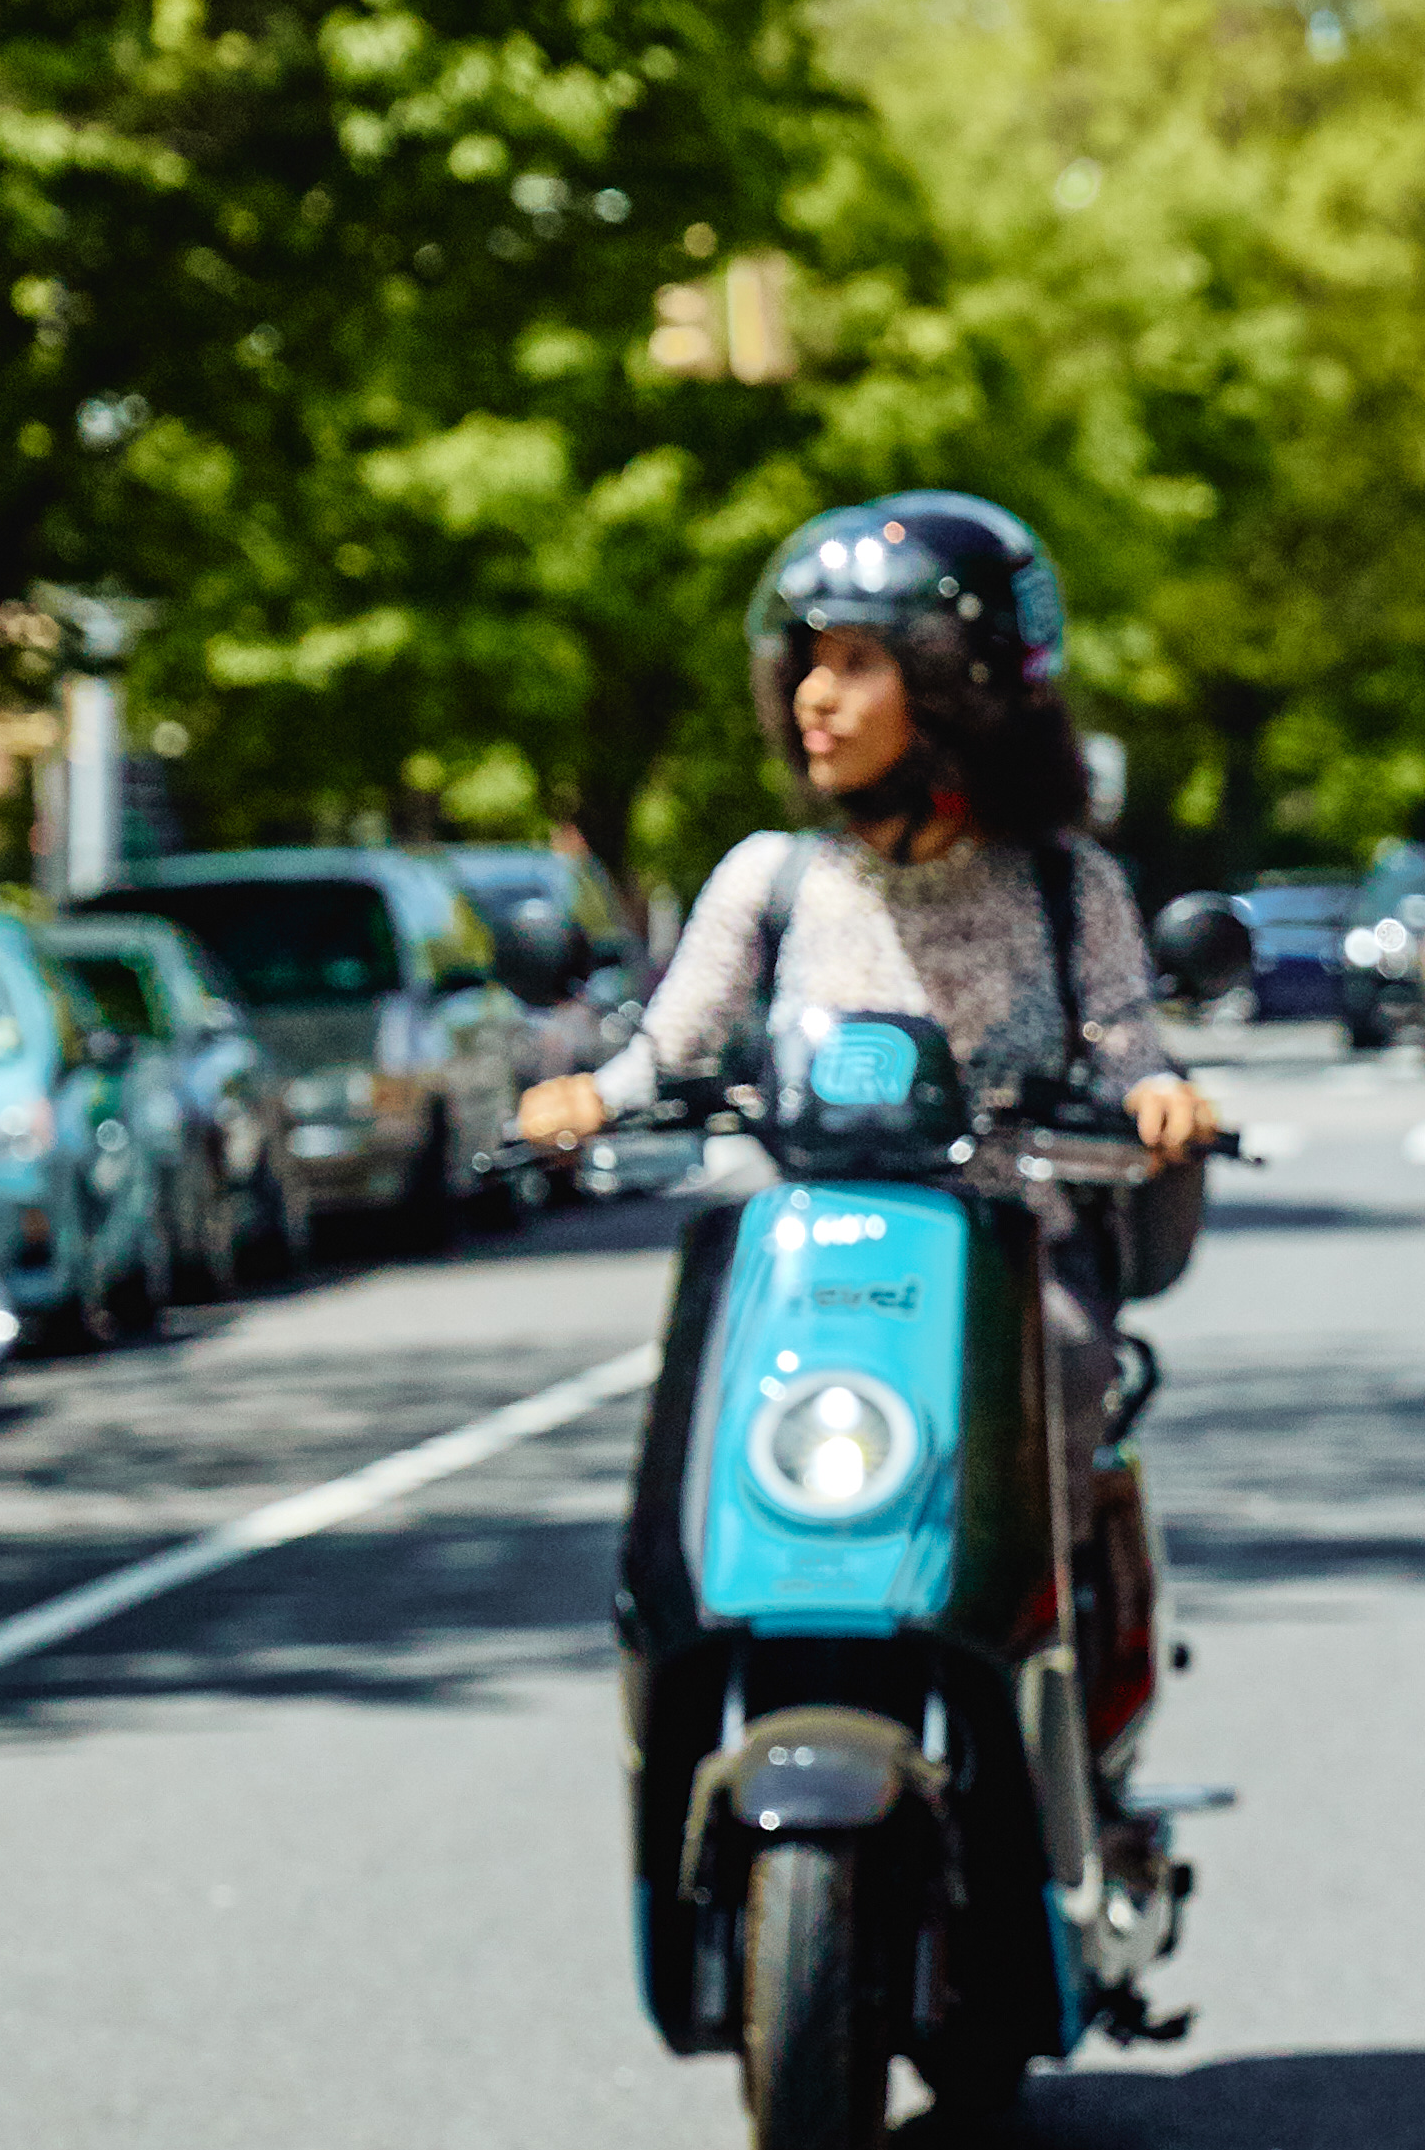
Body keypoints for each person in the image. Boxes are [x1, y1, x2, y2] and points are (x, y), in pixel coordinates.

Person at [519, 491, 1216, 1553]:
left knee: (1072, 1354)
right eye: (808, 661)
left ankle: (1049, 1624)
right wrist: (588, 1096)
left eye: (856, 663)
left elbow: (1130, 1048)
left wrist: (1161, 1097)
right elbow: (666, 1051)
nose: (815, 693)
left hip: (1011, 1260)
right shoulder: (770, 877)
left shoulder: (1070, 885)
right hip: (809, 1262)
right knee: (702, 1372)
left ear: (956, 688)